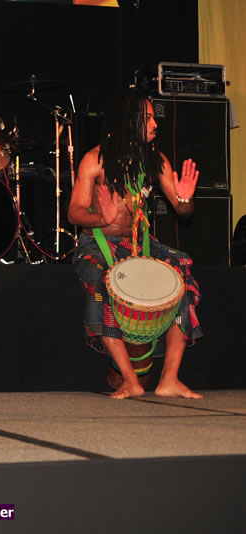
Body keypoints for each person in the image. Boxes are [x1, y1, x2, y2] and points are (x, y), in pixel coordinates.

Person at [68, 89, 203, 400]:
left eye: (155, 117)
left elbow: (183, 210)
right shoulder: (95, 160)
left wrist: (184, 197)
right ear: (128, 122)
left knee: (183, 277)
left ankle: (169, 378)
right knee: (102, 282)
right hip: (97, 243)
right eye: (147, 118)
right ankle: (130, 379)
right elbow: (74, 211)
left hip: (139, 244)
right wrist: (100, 216)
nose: (155, 123)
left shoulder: (155, 161)